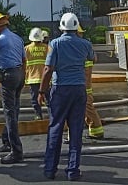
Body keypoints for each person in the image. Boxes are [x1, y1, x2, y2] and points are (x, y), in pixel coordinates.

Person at [38, 12, 94, 181]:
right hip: (78, 89)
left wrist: (41, 91)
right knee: (76, 130)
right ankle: (73, 171)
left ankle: (50, 170)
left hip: (60, 89)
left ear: (61, 27)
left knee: (55, 127)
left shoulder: (55, 44)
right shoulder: (85, 44)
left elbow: (48, 69)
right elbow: (92, 58)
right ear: (76, 27)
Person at [0, 11, 26, 164]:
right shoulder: (17, 38)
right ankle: (7, 141)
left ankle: (16, 151)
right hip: (19, 74)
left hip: (7, 76)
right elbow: (23, 60)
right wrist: (23, 78)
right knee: (14, 109)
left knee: (9, 113)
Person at [77, 25, 104, 140]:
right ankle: (94, 129)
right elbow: (94, 59)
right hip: (84, 83)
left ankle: (97, 129)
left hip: (81, 83)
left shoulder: (78, 46)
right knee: (84, 107)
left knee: (87, 107)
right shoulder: (86, 45)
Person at [24, 27, 48, 120]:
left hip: (32, 78)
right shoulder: (47, 48)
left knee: (35, 99)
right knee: (49, 99)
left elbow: (22, 63)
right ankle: (52, 115)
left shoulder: (26, 49)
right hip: (45, 78)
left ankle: (38, 115)